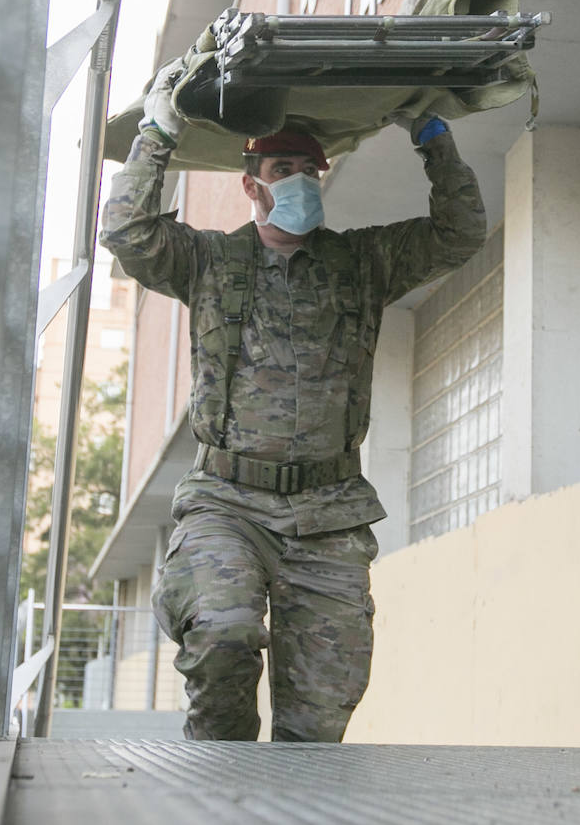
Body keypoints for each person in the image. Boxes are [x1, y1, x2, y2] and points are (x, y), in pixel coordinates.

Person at [98, 61, 487, 741]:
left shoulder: (363, 262)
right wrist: (157, 131)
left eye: (308, 168)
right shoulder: (210, 261)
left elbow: (459, 232)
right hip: (228, 502)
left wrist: (430, 134)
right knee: (222, 634)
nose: (297, 180)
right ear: (252, 184)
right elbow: (127, 233)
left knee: (319, 717)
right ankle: (220, 780)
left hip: (328, 514)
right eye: (281, 168)